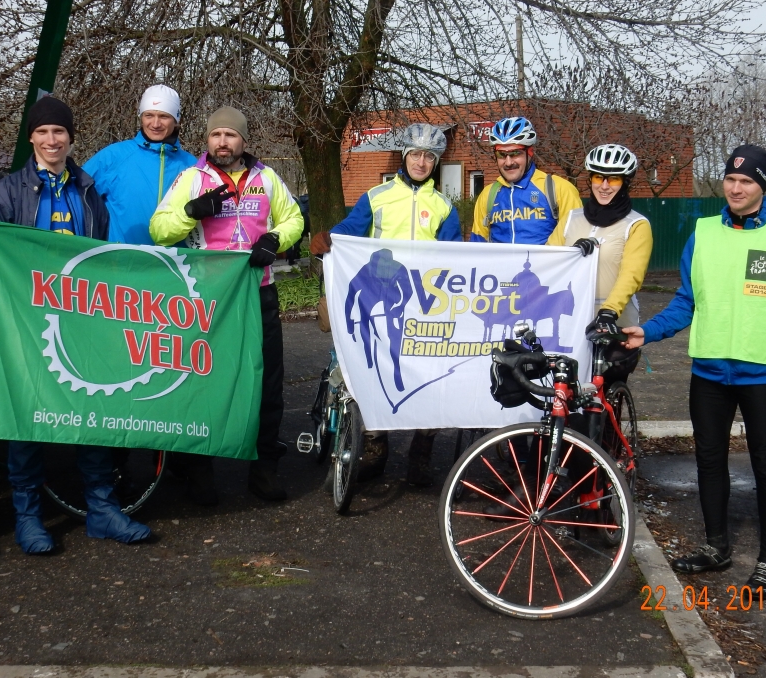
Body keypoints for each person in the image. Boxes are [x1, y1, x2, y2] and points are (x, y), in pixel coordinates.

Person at [622, 144, 766, 594]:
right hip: (710, 373)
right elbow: (686, 301)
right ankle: (716, 547)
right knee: (710, 460)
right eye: (731, 179)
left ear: (762, 186)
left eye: (747, 181)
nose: (736, 188)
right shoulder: (703, 232)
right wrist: (648, 331)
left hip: (762, 374)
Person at [0, 95, 152, 554]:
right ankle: (28, 516)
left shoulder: (88, 189)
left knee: (91, 408)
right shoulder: (6, 192)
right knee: (28, 415)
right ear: (31, 138)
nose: (52, 140)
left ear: (71, 138)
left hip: (82, 318)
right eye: (42, 132)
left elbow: (102, 253)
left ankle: (102, 509)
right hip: (25, 319)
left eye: (59, 131)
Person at [149, 106, 304, 502]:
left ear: (243, 141)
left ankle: (264, 470)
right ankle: (200, 472)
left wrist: (275, 239)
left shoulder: (266, 177)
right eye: (216, 134)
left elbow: (293, 219)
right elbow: (159, 230)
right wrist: (191, 212)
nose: (222, 142)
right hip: (207, 298)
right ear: (207, 139)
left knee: (266, 383)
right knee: (204, 382)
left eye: (230, 135)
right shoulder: (192, 178)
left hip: (258, 293)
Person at [310, 123, 462, 487]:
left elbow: (455, 255)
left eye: (429, 157)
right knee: (372, 370)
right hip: (379, 298)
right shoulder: (376, 196)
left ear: (436, 162)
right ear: (404, 156)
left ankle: (421, 454)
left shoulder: (444, 207)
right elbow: (351, 229)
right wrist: (328, 240)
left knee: (429, 377)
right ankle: (375, 449)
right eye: (416, 154)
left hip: (423, 304)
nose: (421, 163)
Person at [561, 144, 653, 382]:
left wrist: (609, 311)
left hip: (613, 322)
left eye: (613, 179)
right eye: (598, 177)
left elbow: (631, 275)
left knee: (604, 393)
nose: (604, 186)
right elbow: (550, 261)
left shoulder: (636, 225)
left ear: (625, 183)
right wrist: (570, 253)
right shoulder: (571, 218)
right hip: (571, 320)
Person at [83, 84, 196, 244]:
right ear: (141, 117)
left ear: (176, 120)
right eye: (149, 115)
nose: (155, 124)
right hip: (121, 257)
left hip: (174, 258)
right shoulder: (113, 156)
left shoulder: (192, 165)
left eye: (164, 116)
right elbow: (75, 197)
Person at [470, 116, 581, 245]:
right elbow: (477, 248)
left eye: (515, 153)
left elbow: (576, 239)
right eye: (501, 154)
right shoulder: (488, 194)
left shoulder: (559, 189)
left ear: (530, 152)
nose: (508, 162)